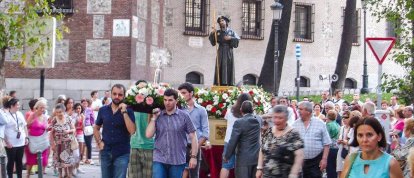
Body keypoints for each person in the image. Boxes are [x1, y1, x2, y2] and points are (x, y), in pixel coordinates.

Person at [145, 89, 198, 178]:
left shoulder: (184, 116)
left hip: (177, 160)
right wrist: (154, 118)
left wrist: (193, 156)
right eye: (165, 100)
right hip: (159, 158)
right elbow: (148, 135)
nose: (167, 103)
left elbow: (193, 136)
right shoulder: (158, 115)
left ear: (176, 101)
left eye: (170, 100)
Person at [94, 84, 136, 178]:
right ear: (111, 94)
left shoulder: (129, 110)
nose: (117, 97)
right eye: (115, 94)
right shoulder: (103, 110)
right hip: (106, 151)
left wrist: (124, 112)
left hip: (122, 152)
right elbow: (96, 128)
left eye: (120, 94)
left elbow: (132, 131)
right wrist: (99, 142)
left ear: (124, 96)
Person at [256, 105, 304, 178]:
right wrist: (259, 168)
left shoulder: (293, 134)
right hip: (268, 175)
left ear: (286, 119)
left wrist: (294, 173)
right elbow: (262, 150)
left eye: (280, 118)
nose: (277, 120)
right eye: (275, 117)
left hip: (286, 175)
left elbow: (299, 155)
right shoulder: (268, 132)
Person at [178, 82, 210, 178]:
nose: (181, 95)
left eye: (183, 93)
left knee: (194, 175)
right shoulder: (178, 109)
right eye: (180, 93)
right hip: (180, 147)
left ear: (191, 93)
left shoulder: (201, 110)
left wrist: (195, 148)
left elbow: (205, 132)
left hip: (195, 147)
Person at [292, 101, 331, 178]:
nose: (298, 111)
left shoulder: (320, 124)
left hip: (315, 162)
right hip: (299, 162)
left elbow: (327, 143)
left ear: (308, 111)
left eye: (300, 109)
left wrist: (324, 159)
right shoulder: (294, 124)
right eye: (298, 109)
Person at [223, 101, 261, 178]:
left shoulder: (239, 122)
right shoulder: (259, 119)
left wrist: (227, 156)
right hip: (256, 158)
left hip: (243, 160)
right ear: (252, 110)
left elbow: (233, 141)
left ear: (241, 110)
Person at [220, 93, 251, 178]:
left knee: (225, 166)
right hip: (242, 142)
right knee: (242, 167)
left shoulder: (230, 110)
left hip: (229, 140)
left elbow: (226, 121)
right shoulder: (249, 112)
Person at [128, 80, 155, 178]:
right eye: (139, 89)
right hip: (134, 145)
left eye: (144, 90)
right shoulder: (131, 107)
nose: (141, 92)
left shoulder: (152, 106)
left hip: (150, 146)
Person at [209, 16, 240, 86]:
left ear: (226, 22)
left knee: (228, 66)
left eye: (222, 20)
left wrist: (231, 38)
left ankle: (229, 83)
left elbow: (237, 40)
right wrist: (212, 34)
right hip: (221, 50)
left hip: (229, 51)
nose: (221, 22)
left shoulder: (231, 32)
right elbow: (213, 42)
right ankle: (218, 83)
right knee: (219, 65)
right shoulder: (218, 32)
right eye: (220, 21)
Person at [50, 103, 76, 178]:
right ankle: (60, 175)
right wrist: (52, 144)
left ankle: (69, 175)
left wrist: (68, 131)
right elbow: (51, 133)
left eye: (60, 112)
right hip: (58, 144)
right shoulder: (54, 120)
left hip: (67, 144)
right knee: (59, 161)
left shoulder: (68, 118)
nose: (59, 114)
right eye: (57, 112)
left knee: (68, 160)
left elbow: (74, 129)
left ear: (64, 111)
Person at [4, 98, 27, 178]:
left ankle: (19, 176)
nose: (19, 106)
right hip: (11, 143)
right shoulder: (6, 115)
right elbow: (3, 130)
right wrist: (6, 142)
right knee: (11, 161)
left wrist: (26, 137)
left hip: (21, 142)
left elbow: (24, 125)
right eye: (17, 105)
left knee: (19, 162)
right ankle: (10, 176)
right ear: (11, 106)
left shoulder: (19, 113)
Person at [25, 99, 49, 176]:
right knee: (31, 161)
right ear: (36, 107)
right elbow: (26, 126)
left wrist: (48, 127)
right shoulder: (32, 115)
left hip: (42, 141)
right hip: (33, 141)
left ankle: (40, 175)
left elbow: (46, 127)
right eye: (41, 107)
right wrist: (32, 122)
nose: (42, 109)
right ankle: (27, 175)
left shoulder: (45, 117)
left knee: (43, 161)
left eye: (44, 108)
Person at [325, 110, 340, 178]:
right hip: (337, 147)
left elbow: (326, 137)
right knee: (335, 166)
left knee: (330, 167)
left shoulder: (328, 125)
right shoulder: (337, 124)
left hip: (330, 148)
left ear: (328, 116)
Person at [336, 110, 351, 176]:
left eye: (346, 117)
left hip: (349, 152)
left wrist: (346, 142)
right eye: (343, 117)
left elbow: (354, 142)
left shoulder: (352, 129)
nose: (344, 119)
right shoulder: (342, 128)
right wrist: (339, 141)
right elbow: (338, 139)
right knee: (340, 170)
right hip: (341, 151)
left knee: (348, 172)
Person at [80, 99, 95, 165]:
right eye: (83, 103)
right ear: (81, 103)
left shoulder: (89, 109)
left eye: (86, 103)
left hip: (88, 128)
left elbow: (92, 118)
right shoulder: (79, 109)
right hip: (80, 129)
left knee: (88, 144)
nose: (85, 104)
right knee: (81, 144)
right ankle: (81, 159)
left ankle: (89, 158)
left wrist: (92, 126)